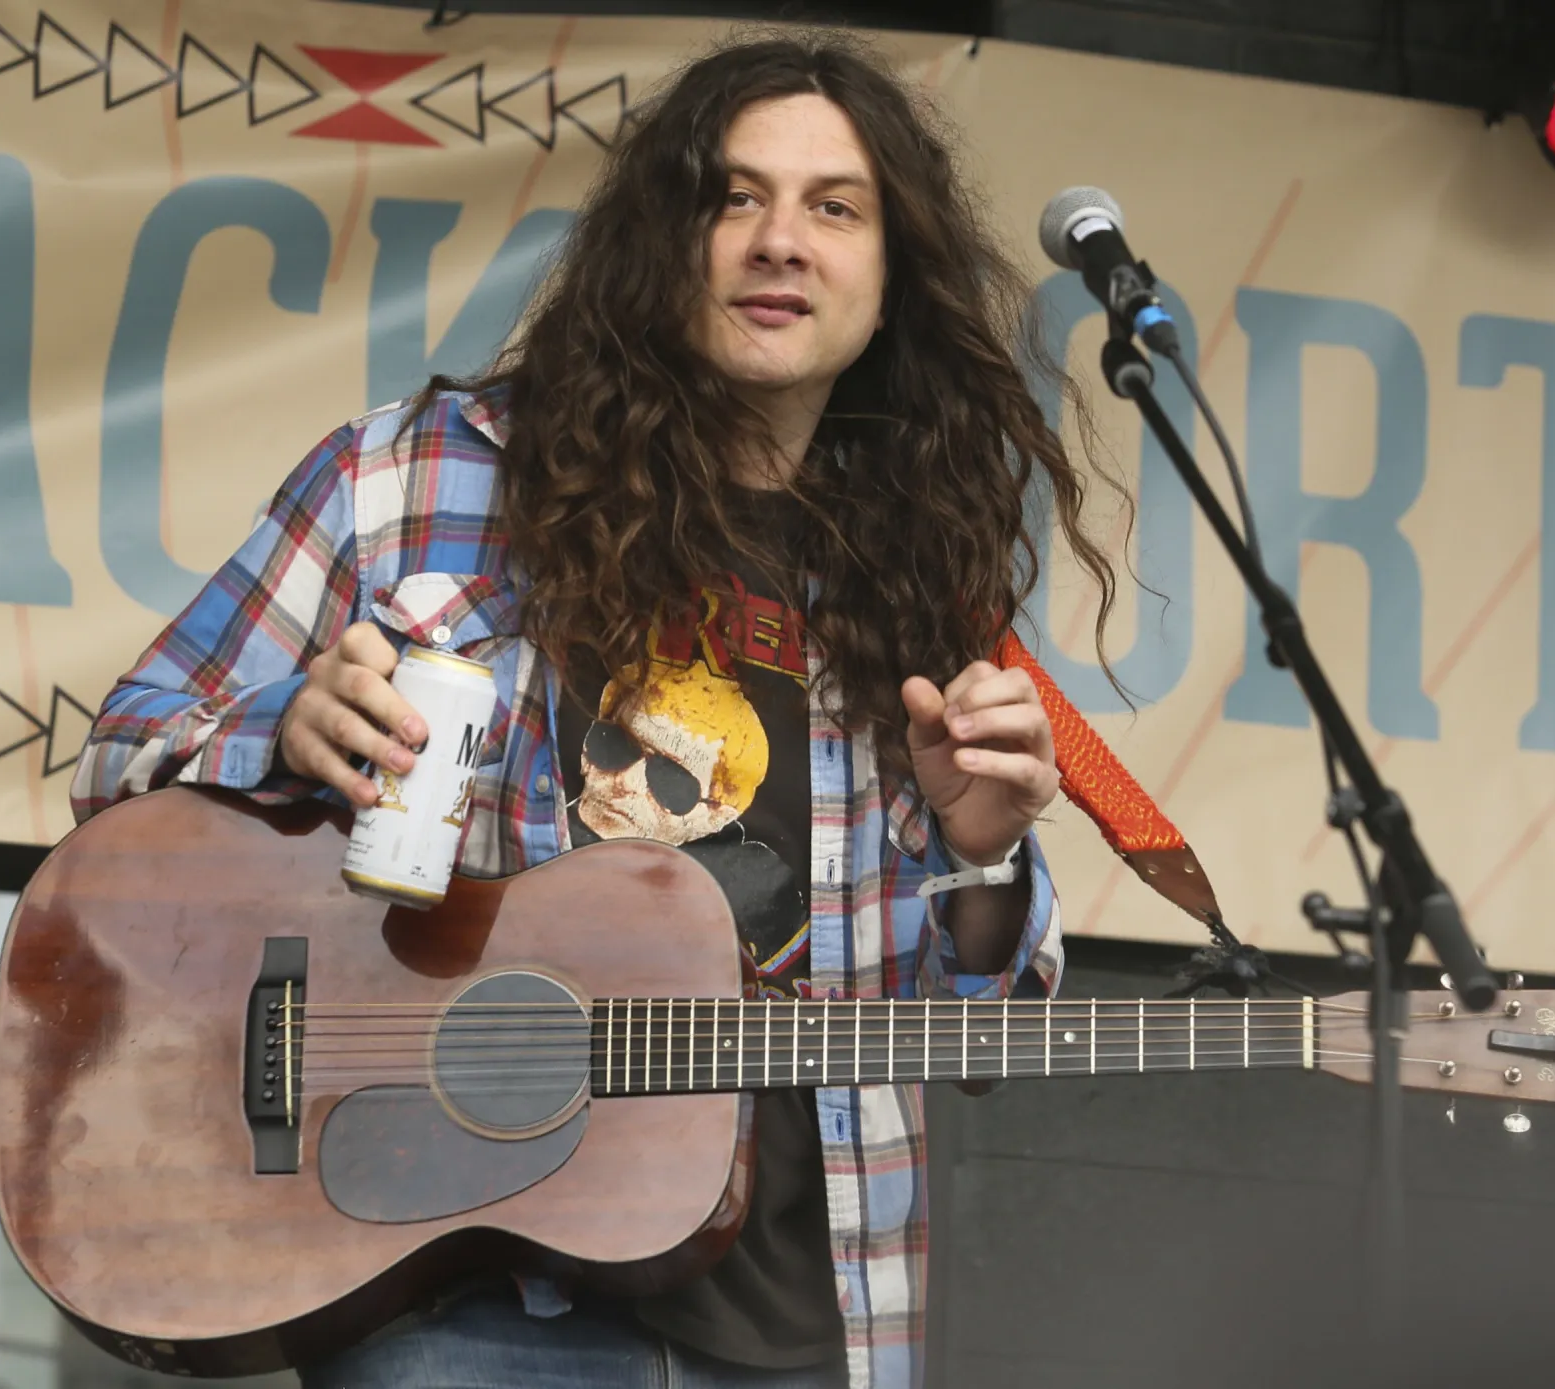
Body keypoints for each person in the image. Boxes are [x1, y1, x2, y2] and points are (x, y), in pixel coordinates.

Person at [72, 32, 1126, 1389]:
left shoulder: (916, 585)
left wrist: (979, 858)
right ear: (658, 240)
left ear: (892, 279)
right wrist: (275, 731)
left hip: (810, 1312)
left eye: (834, 206)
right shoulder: (419, 479)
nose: (779, 242)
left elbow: (970, 1034)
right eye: (732, 196)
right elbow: (117, 761)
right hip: (471, 1291)